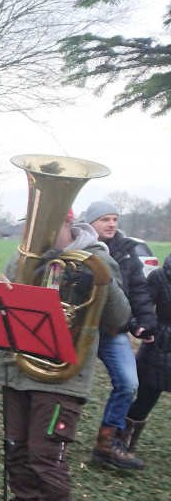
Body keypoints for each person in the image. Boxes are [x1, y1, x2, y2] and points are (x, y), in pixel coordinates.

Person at [0, 212, 129, 501]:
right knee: (15, 448)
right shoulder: (22, 255)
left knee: (45, 455)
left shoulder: (99, 259)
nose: (31, 230)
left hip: (62, 376)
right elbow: (4, 305)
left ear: (65, 219)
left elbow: (120, 317)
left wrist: (98, 281)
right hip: (17, 369)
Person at [81, 200, 154, 470]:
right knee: (68, 386)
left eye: (115, 219)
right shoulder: (79, 248)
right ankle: (54, 439)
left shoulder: (126, 251)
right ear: (90, 222)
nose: (112, 224)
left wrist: (145, 321)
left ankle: (106, 443)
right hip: (81, 330)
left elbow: (138, 289)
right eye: (105, 219)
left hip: (113, 329)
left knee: (128, 383)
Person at [125, 253, 171, 452]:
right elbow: (140, 306)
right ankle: (122, 440)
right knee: (146, 398)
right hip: (160, 344)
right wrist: (141, 327)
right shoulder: (160, 276)